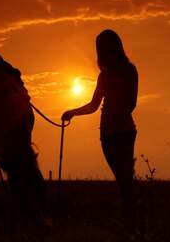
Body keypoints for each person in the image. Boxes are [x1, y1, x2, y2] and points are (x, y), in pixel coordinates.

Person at [62, 29, 138, 231]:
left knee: (124, 179)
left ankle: (129, 222)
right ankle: (129, 220)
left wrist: (112, 109)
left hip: (116, 131)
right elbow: (95, 105)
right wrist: (72, 112)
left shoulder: (118, 73)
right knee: (124, 178)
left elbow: (128, 104)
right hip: (117, 131)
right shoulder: (119, 73)